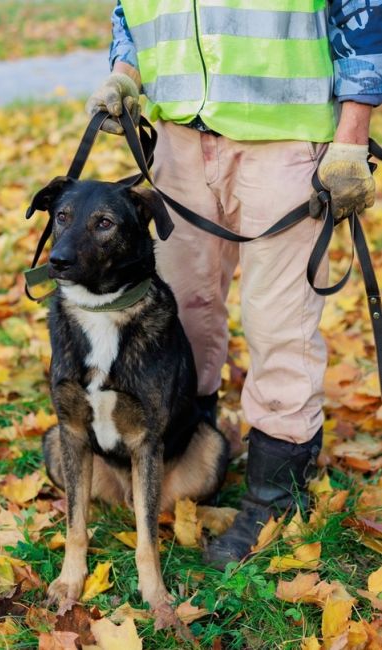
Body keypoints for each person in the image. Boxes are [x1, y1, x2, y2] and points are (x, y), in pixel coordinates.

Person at [86, 1, 382, 568]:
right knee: (181, 317)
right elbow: (133, 10)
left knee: (279, 323)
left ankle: (275, 498)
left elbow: (363, 11)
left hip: (287, 140)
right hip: (179, 142)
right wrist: (125, 72)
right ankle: (196, 460)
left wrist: (352, 135)